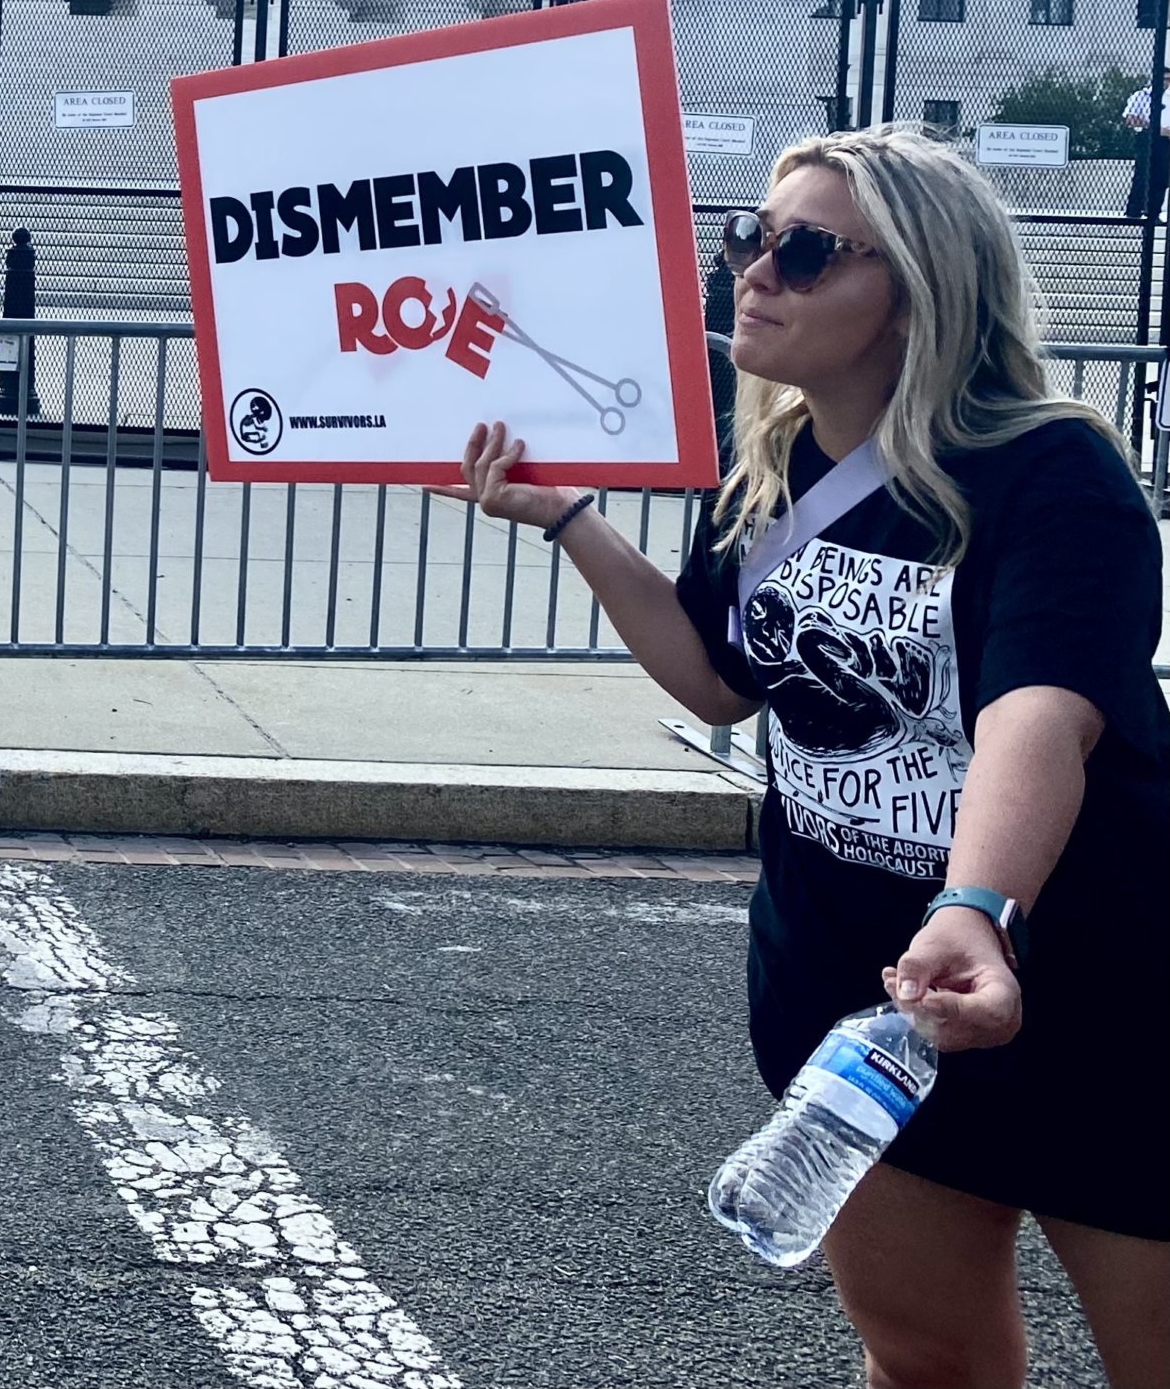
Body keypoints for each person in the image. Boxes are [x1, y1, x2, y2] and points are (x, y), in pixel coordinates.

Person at [437, 125, 1167, 1389]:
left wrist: (975, 908)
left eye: (807, 251)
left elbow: (1039, 713)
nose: (754, 273)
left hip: (1100, 992)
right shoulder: (777, 468)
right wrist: (565, 519)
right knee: (928, 1360)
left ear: (918, 294)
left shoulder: (1052, 475)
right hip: (861, 996)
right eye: (747, 238)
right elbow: (721, 678)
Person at [1123, 78, 1166, 224]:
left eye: (1168, 80)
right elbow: (1130, 119)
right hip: (1146, 137)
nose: (1165, 83)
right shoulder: (1141, 96)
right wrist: (1154, 127)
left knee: (1162, 176)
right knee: (1142, 172)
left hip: (1166, 140)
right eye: (1163, 79)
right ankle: (1134, 210)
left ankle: (1153, 212)